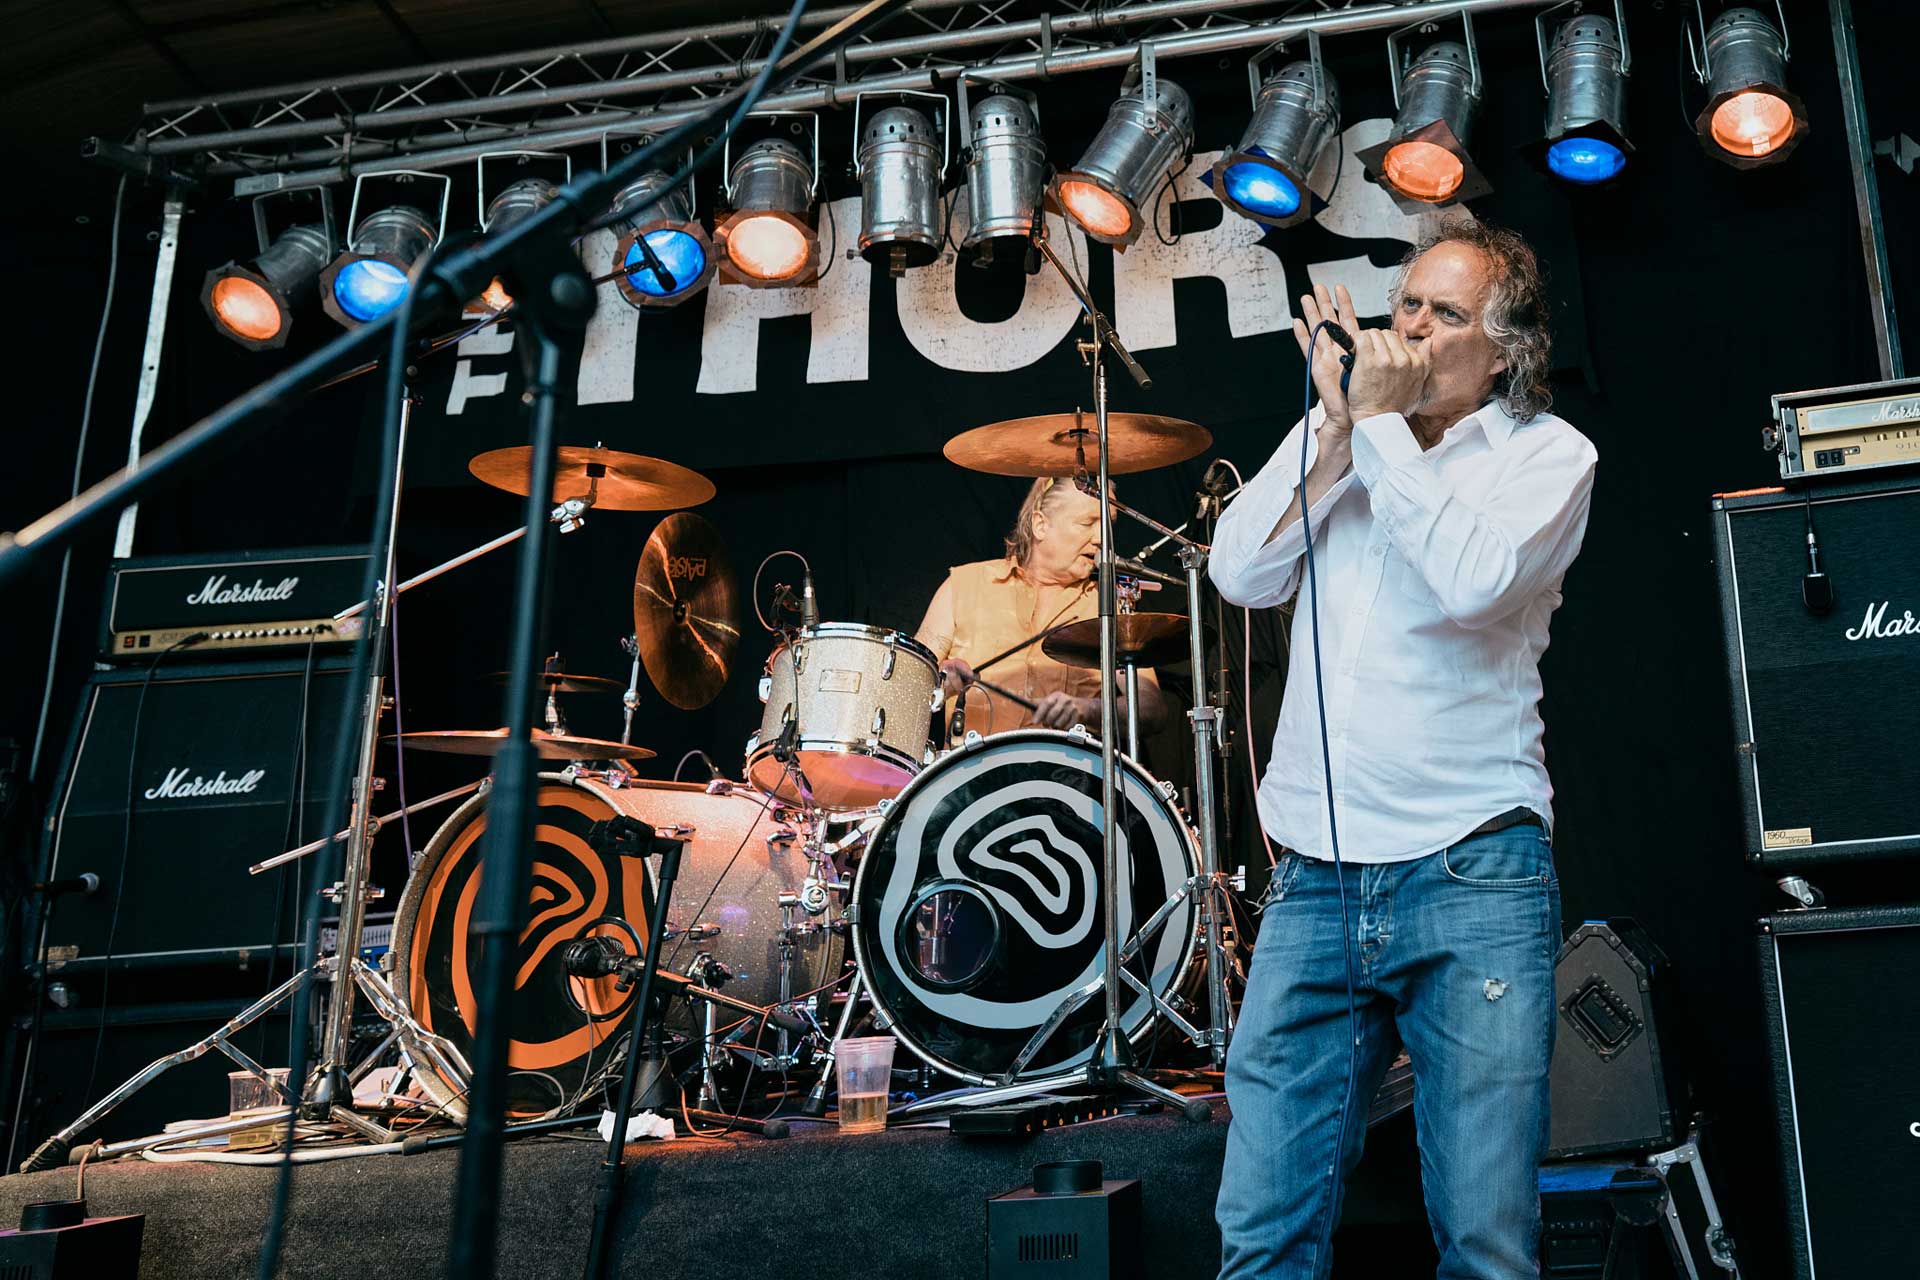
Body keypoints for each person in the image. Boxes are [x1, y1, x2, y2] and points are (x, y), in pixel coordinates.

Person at [1210, 223, 1598, 1279]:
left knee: (1485, 1240)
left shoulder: (1549, 457)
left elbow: (1473, 583)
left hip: (1473, 868)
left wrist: (1377, 427)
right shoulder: (1345, 429)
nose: (1413, 327)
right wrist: (1338, 436)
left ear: (1506, 352)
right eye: (1409, 304)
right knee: (1262, 1231)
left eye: (1446, 313)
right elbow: (1239, 574)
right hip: (1316, 877)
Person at [915, 475, 1165, 739]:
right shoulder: (964, 585)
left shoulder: (1107, 605)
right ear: (1040, 525)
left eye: (1107, 526)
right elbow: (904, 683)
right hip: (972, 763)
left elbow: (1150, 708)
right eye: (1087, 523)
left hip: (1064, 764)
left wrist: (1088, 710)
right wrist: (941, 680)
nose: (1101, 538)